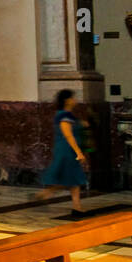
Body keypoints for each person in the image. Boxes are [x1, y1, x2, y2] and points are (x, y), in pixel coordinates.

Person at [34, 89, 88, 218]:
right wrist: (78, 152)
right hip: (67, 150)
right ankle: (45, 193)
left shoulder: (68, 115)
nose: (75, 100)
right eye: (73, 98)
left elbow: (75, 127)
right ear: (67, 100)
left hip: (67, 149)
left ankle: (77, 207)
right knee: (68, 177)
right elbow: (68, 135)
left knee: (73, 178)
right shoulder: (64, 116)